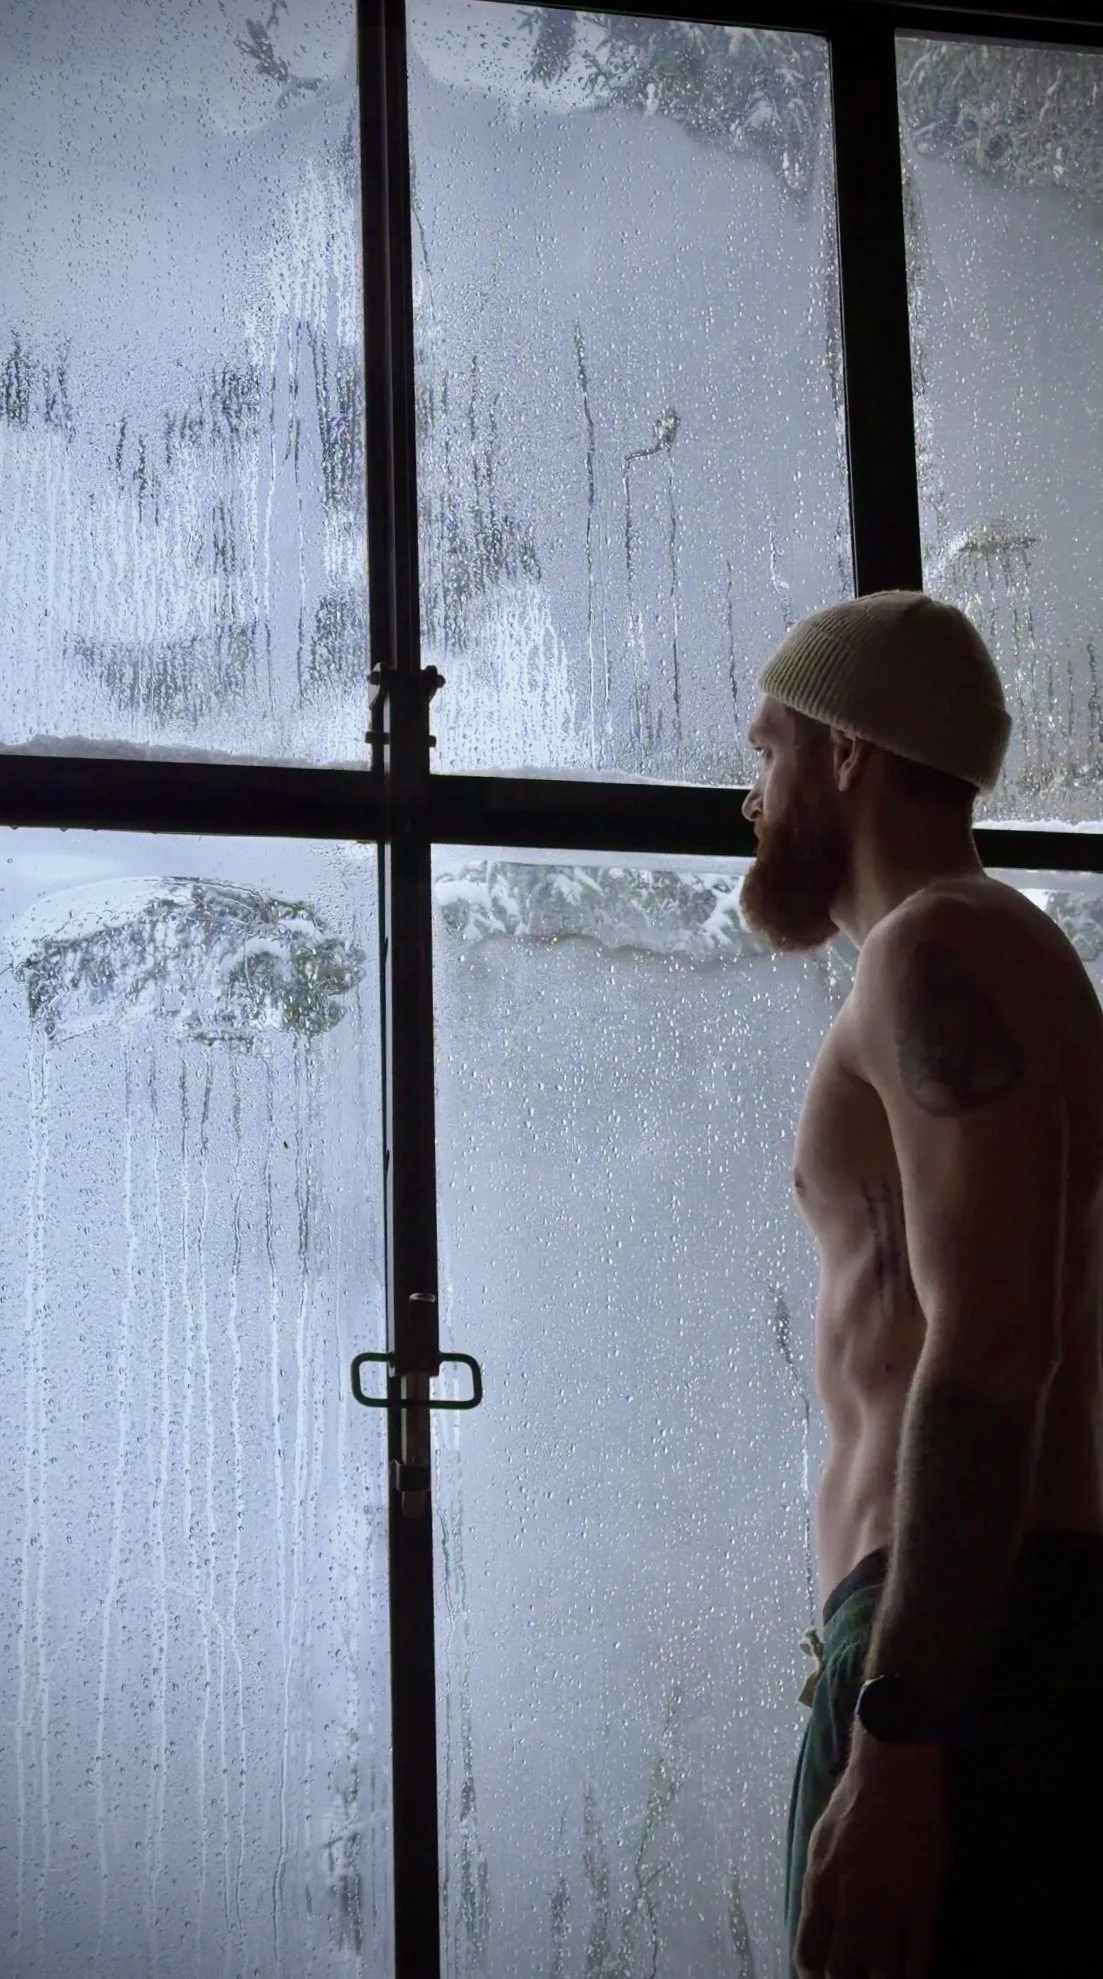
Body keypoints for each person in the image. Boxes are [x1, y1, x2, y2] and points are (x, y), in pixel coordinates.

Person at [739, 591, 1103, 1979]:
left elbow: (992, 1347)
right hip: (967, 1645)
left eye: (763, 752)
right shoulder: (973, 948)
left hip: (963, 1656)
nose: (749, 797)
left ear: (842, 750)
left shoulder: (938, 948)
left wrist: (897, 1740)